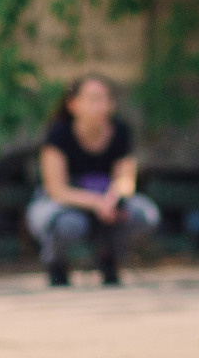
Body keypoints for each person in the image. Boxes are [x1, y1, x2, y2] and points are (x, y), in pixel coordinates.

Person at [26, 75, 161, 287]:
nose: (102, 106)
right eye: (94, 99)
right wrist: (98, 203)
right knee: (68, 224)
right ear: (73, 104)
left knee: (143, 214)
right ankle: (57, 263)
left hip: (106, 204)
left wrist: (113, 199)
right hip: (66, 206)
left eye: (106, 99)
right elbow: (57, 190)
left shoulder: (120, 132)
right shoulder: (58, 135)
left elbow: (126, 180)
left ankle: (109, 259)